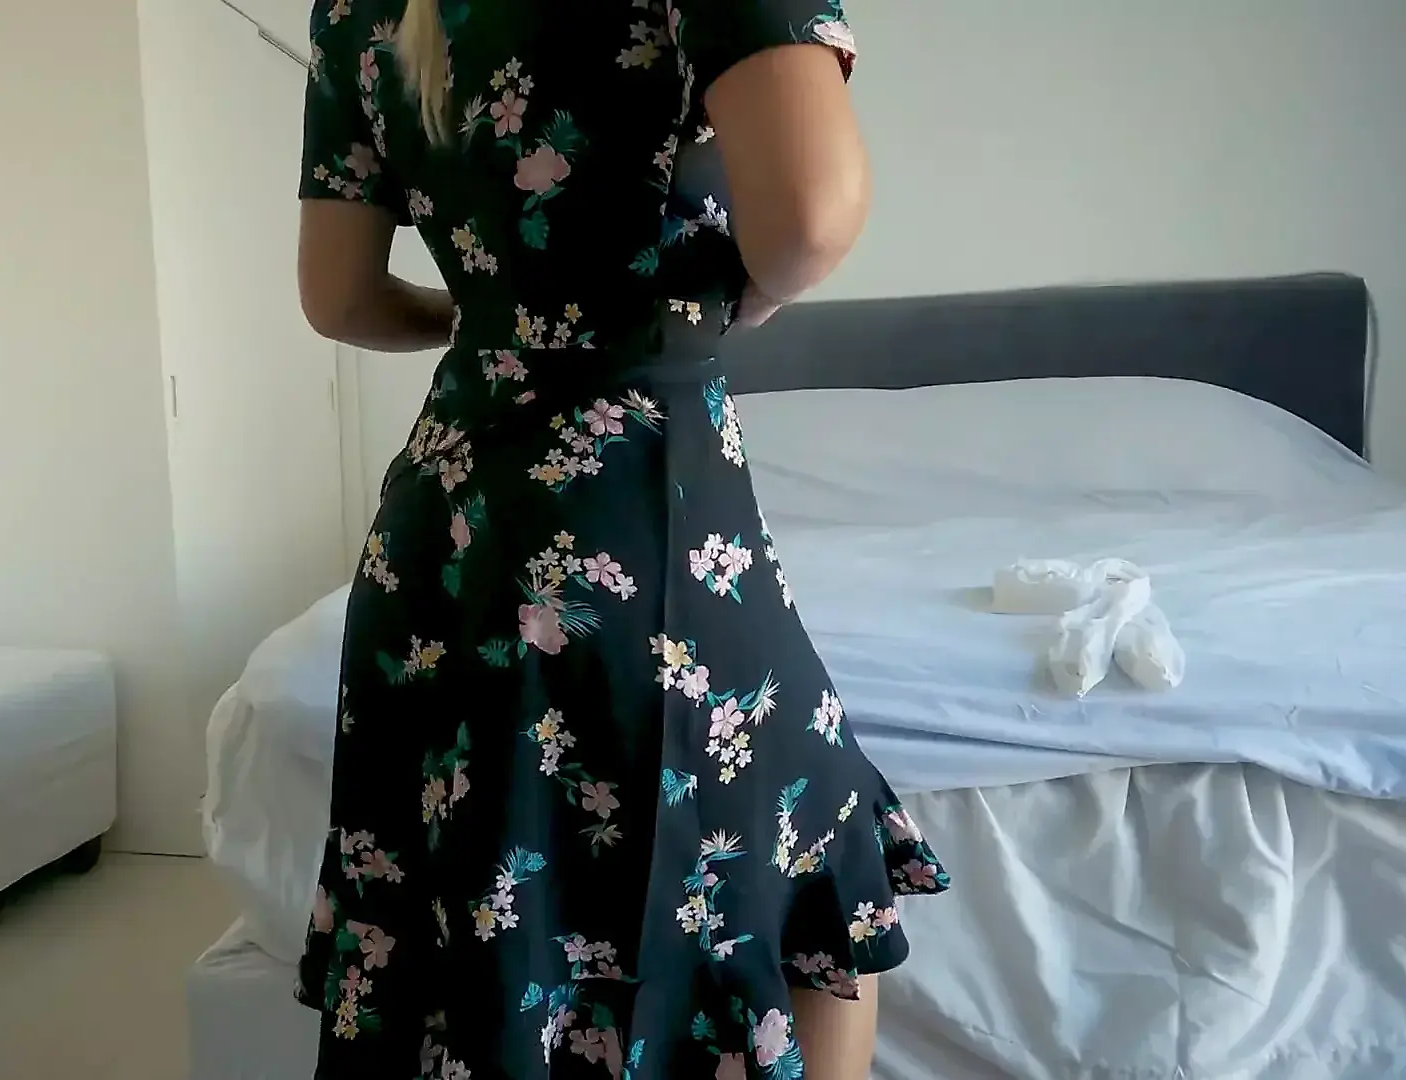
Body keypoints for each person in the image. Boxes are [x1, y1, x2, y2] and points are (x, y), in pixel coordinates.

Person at [293, 1, 950, 1076]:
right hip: (636, 503)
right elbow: (810, 219)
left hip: (442, 533)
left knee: (488, 914)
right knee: (819, 856)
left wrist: (500, 323)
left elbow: (339, 295)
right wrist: (742, 300)